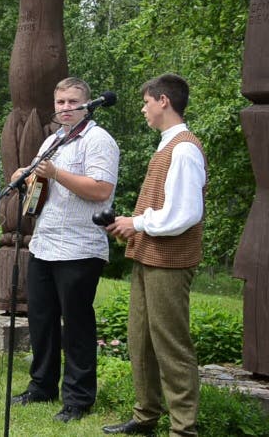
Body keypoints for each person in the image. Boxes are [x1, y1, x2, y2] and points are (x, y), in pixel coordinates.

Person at [10, 77, 120, 422]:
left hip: (80, 246)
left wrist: (55, 173)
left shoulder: (99, 141)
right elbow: (39, 186)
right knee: (41, 320)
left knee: (76, 324)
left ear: (87, 104)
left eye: (73, 102)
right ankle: (41, 386)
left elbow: (101, 189)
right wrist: (25, 177)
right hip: (44, 243)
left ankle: (78, 399)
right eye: (61, 103)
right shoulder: (52, 140)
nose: (66, 108)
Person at [102, 74, 206, 437]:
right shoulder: (166, 146)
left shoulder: (184, 148)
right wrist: (132, 225)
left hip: (171, 262)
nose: (143, 109)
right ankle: (146, 417)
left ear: (164, 101)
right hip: (151, 258)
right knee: (140, 341)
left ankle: (183, 430)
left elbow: (185, 213)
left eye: (146, 102)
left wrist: (139, 222)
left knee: (171, 346)